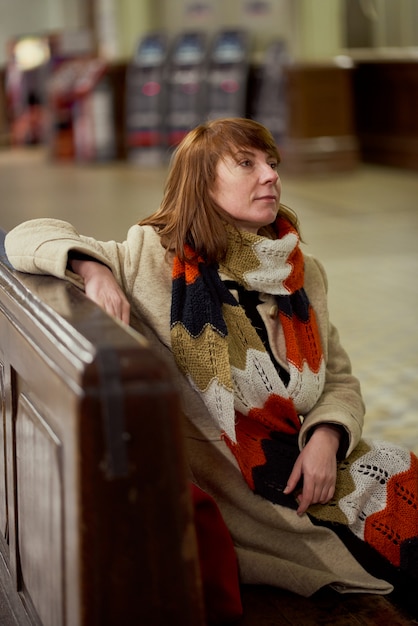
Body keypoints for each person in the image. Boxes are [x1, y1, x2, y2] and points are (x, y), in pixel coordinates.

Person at [5, 118, 418, 619]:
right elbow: (25, 236)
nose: (269, 175)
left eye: (271, 163)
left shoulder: (302, 273)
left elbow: (340, 380)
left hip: (331, 468)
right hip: (261, 508)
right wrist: (92, 269)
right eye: (246, 163)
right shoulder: (151, 261)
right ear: (201, 182)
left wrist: (328, 435)